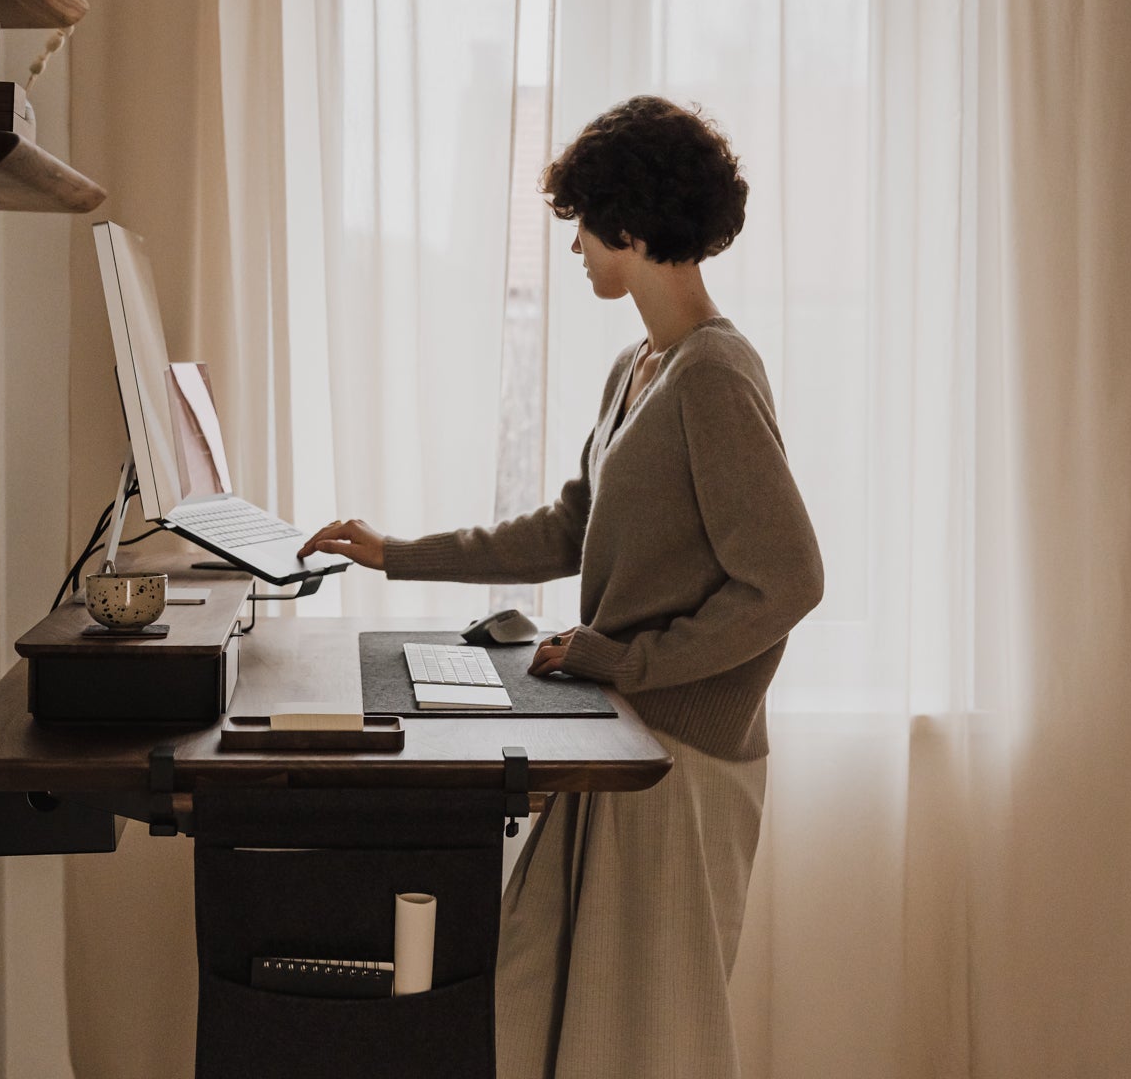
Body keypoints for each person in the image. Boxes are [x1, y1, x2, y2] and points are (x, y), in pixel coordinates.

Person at [298, 94, 824, 1079]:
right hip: (621, 736)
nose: (575, 248)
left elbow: (789, 579)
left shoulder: (714, 373)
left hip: (680, 757)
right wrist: (394, 551)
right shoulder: (639, 364)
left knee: (650, 1035)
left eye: (582, 226)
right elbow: (567, 527)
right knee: (544, 1000)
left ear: (628, 225)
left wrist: (628, 658)